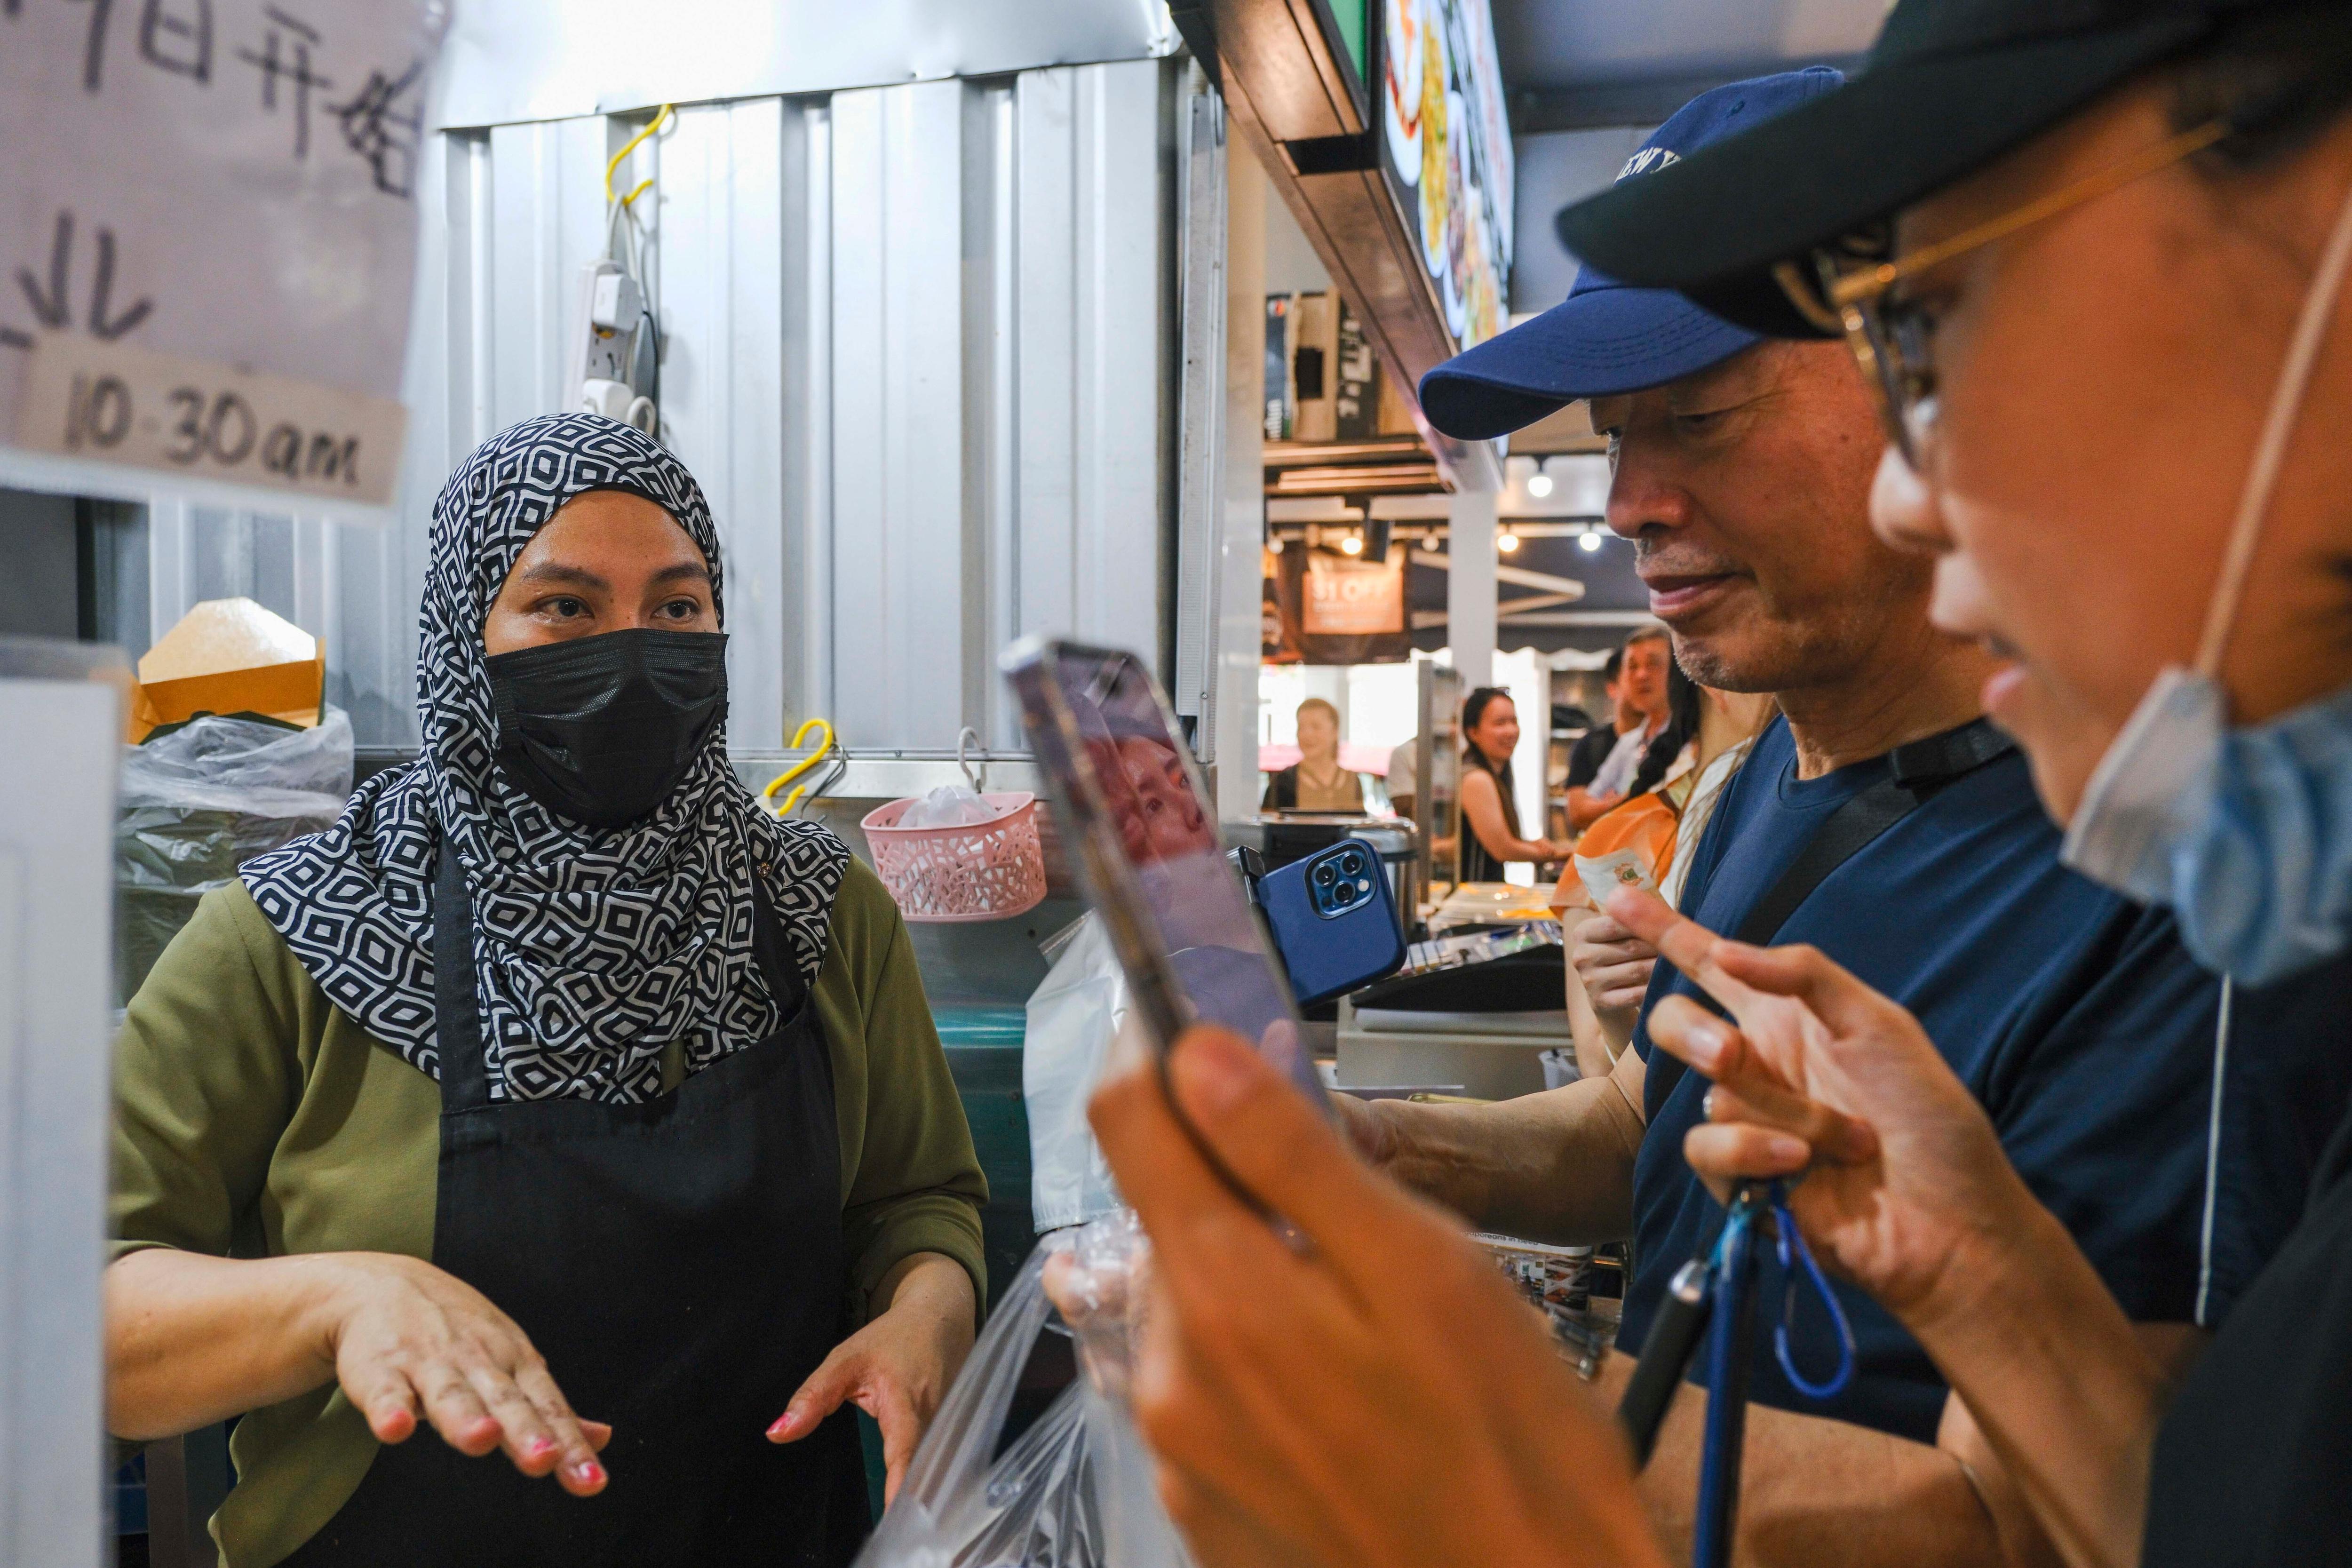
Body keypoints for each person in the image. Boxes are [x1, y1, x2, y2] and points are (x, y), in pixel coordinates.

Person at [1064, 6, 2352, 1568]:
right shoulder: (1751, 784)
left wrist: (1481, 1425)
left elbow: (2062, 1511)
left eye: (1943, 348)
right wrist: (1389, 1149)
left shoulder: (2201, 867)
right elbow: (1654, 1118)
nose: (1629, 508)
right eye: (1614, 437)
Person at [105, 415, 990, 1568]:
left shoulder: (821, 915)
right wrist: (335, 1303)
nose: (631, 654)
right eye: (564, 607)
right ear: (462, 635)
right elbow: (83, 1319)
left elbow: (921, 1202)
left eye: (675, 608)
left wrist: (931, 1309)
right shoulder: (287, 940)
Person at [1454, 686, 1571, 883]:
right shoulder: (1477, 779)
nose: (1511, 731)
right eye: (1500, 723)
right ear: (1473, 732)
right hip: (1472, 895)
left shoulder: (1495, 774)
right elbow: (1502, 849)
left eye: (1514, 722)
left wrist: (1536, 845)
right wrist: (1559, 854)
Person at [1581, 625, 1676, 805]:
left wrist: (1616, 803)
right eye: (1632, 667)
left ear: (1677, 671)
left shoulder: (1690, 738)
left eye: (1653, 664)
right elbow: (1585, 806)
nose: (1641, 675)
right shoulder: (1629, 742)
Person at [1260, 696, 1364, 812]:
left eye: (1316, 727)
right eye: (1301, 727)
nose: (1307, 734)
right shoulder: (1283, 782)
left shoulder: (1352, 781)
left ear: (1335, 732)